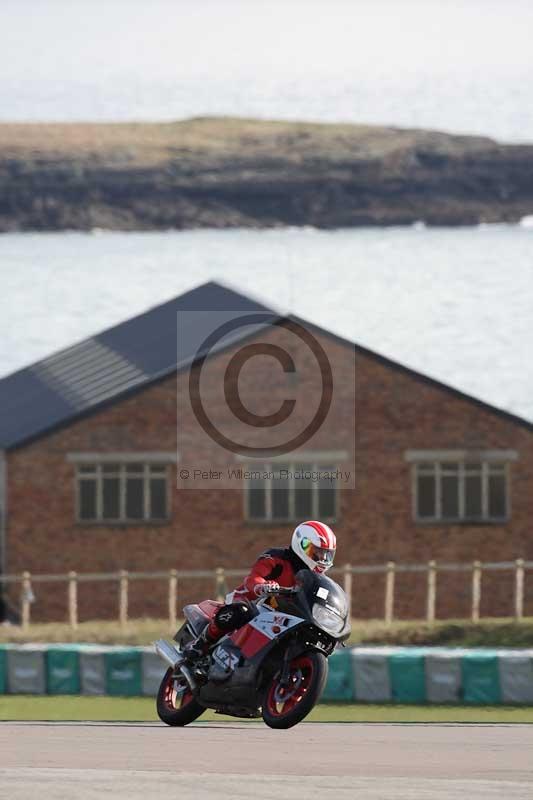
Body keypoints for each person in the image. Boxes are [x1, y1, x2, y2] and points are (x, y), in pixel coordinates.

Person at [184, 520, 336, 660]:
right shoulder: (276, 558)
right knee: (240, 611)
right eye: (317, 552)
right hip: (253, 602)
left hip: (283, 616)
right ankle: (200, 645)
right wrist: (262, 586)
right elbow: (254, 578)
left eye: (326, 554)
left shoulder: (315, 580)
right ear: (302, 544)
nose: (322, 558)